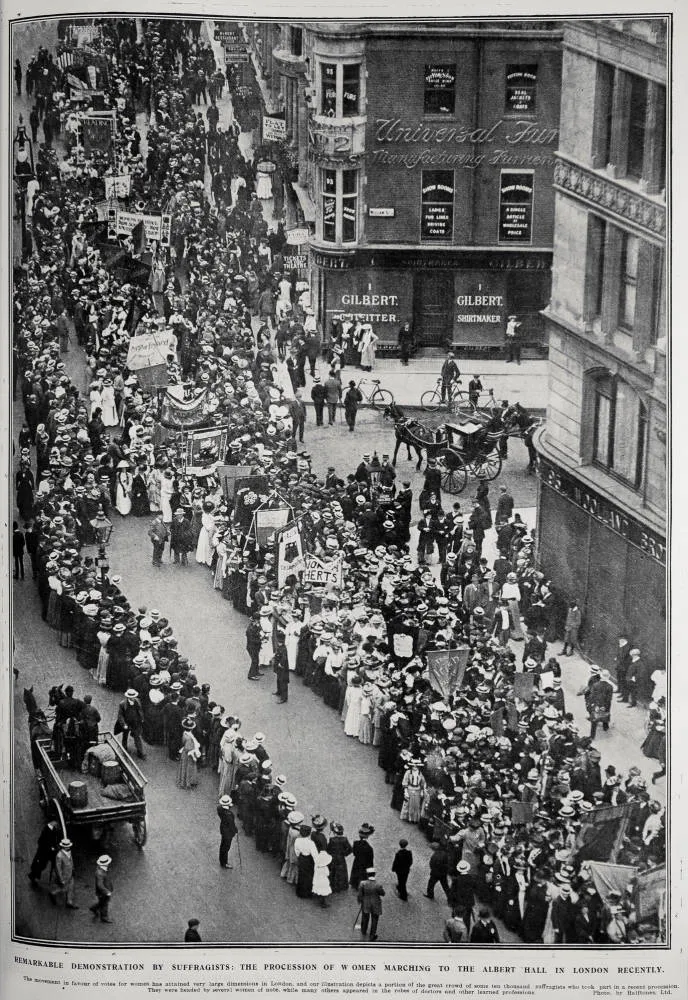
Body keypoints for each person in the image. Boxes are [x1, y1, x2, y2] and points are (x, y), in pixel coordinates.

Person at [115, 689, 146, 759]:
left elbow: (140, 710)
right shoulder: (122, 704)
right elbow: (120, 715)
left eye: (134, 696)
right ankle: (124, 749)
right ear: (128, 697)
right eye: (131, 697)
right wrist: (124, 724)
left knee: (137, 737)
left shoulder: (137, 701)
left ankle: (140, 752)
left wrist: (142, 718)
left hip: (135, 723)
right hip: (127, 723)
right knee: (125, 736)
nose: (133, 698)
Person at [28, 819, 59, 886]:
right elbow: (42, 842)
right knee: (41, 865)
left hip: (46, 852)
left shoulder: (50, 829)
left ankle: (33, 876)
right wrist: (51, 847)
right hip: (44, 853)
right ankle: (33, 876)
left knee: (43, 865)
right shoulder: (46, 831)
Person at [357, 867, 385, 941]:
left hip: (365, 903)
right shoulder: (378, 884)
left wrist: (360, 901)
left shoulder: (362, 883)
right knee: (374, 920)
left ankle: (363, 930)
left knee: (365, 918)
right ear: (374, 874)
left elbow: (360, 894)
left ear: (367, 875)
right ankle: (372, 936)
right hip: (376, 904)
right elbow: (382, 893)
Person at [49, 838, 78, 909]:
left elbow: (71, 861)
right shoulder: (59, 856)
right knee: (62, 888)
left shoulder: (69, 852)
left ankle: (69, 902)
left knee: (71, 887)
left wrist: (73, 869)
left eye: (68, 845)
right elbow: (58, 869)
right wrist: (61, 879)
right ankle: (53, 893)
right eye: (66, 846)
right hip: (64, 876)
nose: (68, 847)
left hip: (70, 874)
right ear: (63, 846)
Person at [350, 823, 375, 889]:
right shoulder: (369, 848)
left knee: (356, 872)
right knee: (363, 875)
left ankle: (354, 883)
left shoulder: (355, 843)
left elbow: (354, 853)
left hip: (357, 861)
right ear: (367, 836)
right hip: (365, 864)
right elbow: (370, 861)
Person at [90, 855, 114, 923]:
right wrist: (107, 892)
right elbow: (99, 885)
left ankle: (94, 908)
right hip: (103, 892)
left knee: (102, 902)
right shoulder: (100, 873)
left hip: (104, 891)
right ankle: (104, 917)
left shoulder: (102, 869)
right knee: (105, 904)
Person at [217, 794, 237, 868]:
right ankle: (224, 863)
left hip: (223, 829)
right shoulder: (229, 814)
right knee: (226, 848)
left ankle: (221, 861)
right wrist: (235, 831)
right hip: (228, 833)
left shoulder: (219, 808)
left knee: (222, 846)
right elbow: (232, 825)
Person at [272, 630, 290, 703]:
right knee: (279, 680)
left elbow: (284, 658)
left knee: (283, 682)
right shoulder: (280, 647)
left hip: (282, 668)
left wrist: (280, 663)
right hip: (279, 668)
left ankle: (284, 698)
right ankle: (279, 691)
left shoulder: (283, 649)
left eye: (279, 642)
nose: (278, 643)